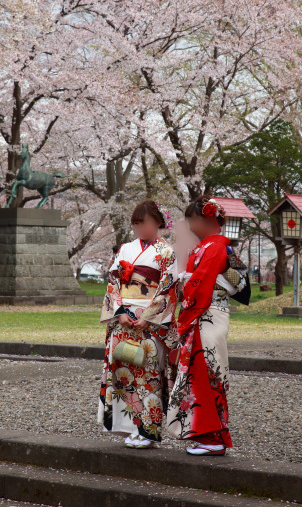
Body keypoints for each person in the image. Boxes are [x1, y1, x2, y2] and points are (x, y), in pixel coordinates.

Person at [98, 199, 178, 449]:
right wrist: (120, 311)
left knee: (148, 373)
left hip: (150, 322)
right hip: (123, 320)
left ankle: (147, 430)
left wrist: (148, 317)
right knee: (122, 372)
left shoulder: (167, 251)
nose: (141, 229)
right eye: (137, 224)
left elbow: (168, 288)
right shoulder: (125, 249)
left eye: (146, 224)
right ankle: (126, 427)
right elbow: (113, 282)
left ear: (158, 223)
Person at [167, 195, 235, 456]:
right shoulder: (208, 245)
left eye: (192, 220)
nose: (190, 225)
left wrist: (185, 313)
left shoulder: (215, 246)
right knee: (200, 372)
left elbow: (203, 282)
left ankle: (215, 437)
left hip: (207, 314)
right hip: (202, 314)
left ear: (206, 219)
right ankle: (206, 435)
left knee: (209, 371)